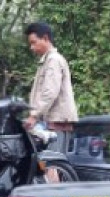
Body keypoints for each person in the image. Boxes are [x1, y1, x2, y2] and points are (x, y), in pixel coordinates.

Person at [23, 22, 78, 152]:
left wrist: (34, 116)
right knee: (50, 165)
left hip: (56, 122)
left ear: (46, 39)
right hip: (51, 122)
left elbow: (49, 92)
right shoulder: (47, 60)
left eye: (34, 42)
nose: (32, 47)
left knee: (51, 165)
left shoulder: (53, 60)